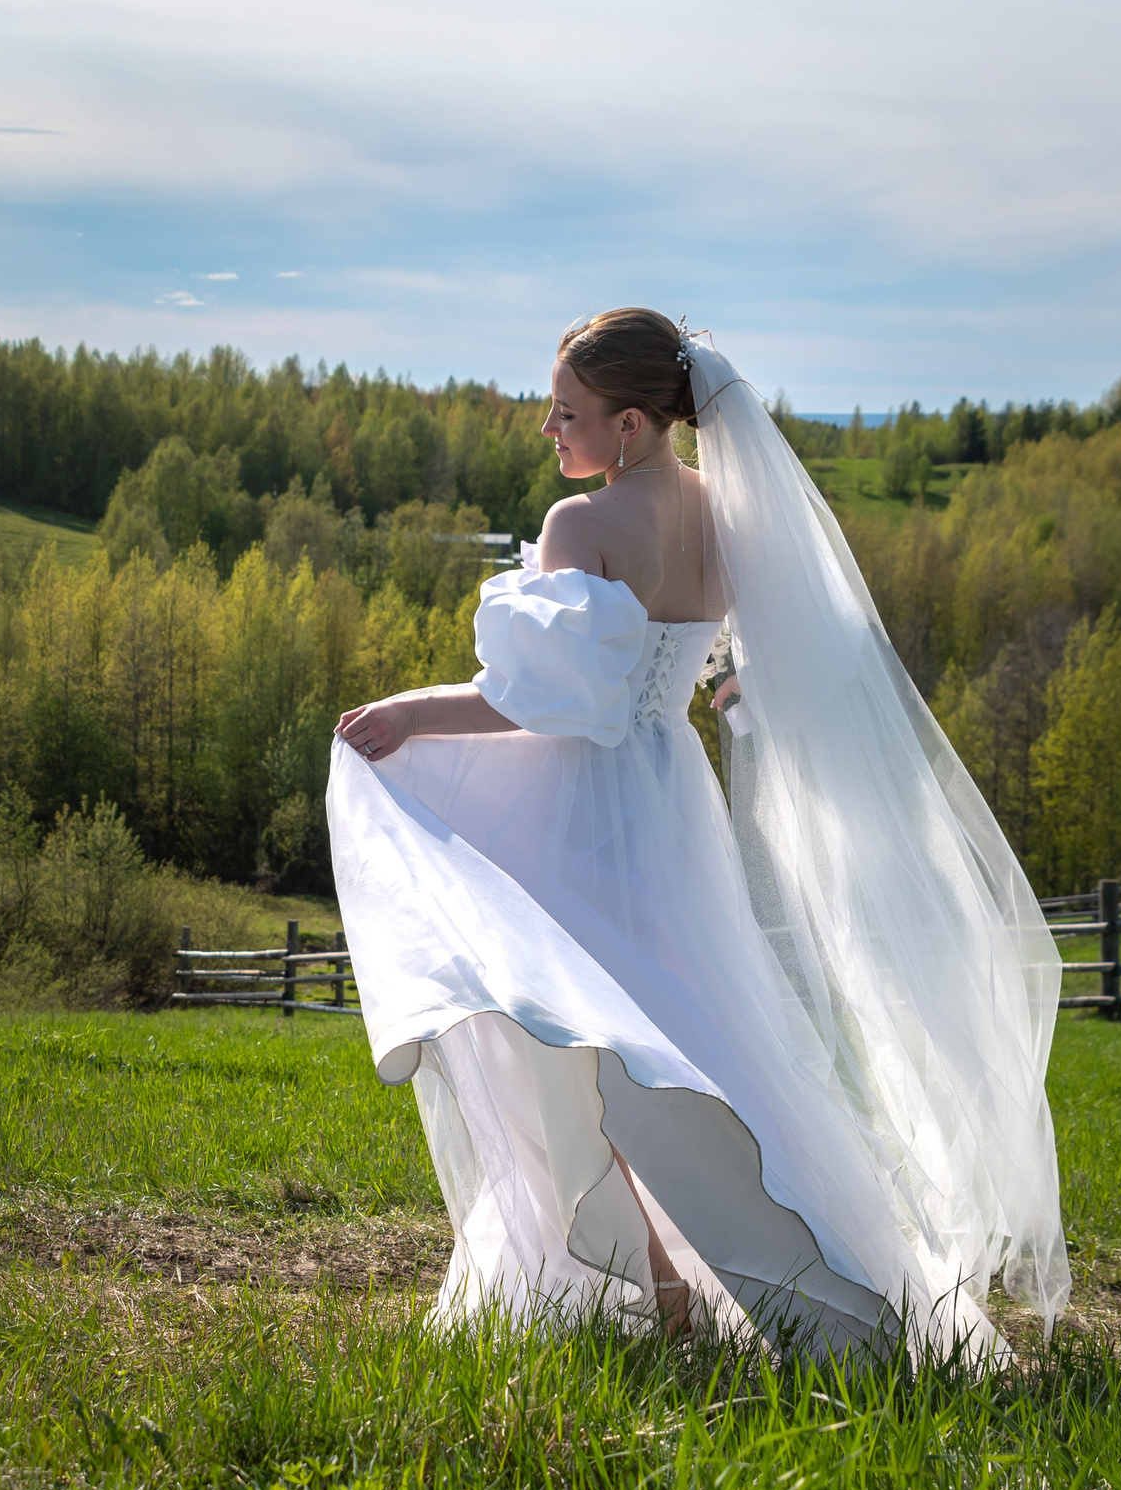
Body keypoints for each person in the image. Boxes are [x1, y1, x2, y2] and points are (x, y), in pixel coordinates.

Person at [327, 309, 1066, 1360]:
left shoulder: (577, 526)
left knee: (599, 1042)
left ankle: (664, 1281)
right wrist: (721, 689)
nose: (547, 427)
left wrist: (411, 717)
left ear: (630, 424)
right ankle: (779, 1268)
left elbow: (550, 701)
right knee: (690, 1033)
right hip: (675, 797)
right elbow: (721, 655)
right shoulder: (733, 514)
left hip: (586, 803)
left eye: (567, 411)